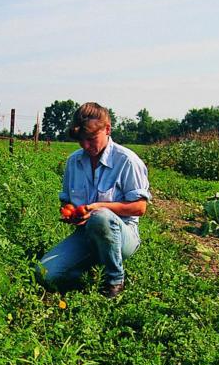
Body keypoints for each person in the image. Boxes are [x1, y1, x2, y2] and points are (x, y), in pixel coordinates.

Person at [37, 102, 151, 298]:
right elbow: (66, 201)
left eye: (91, 139)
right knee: (44, 273)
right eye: (81, 140)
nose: (86, 145)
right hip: (86, 235)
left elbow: (140, 207)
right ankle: (89, 269)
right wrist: (71, 212)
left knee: (101, 217)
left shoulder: (126, 161)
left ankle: (115, 278)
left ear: (107, 129)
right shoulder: (74, 162)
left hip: (124, 235)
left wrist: (100, 207)